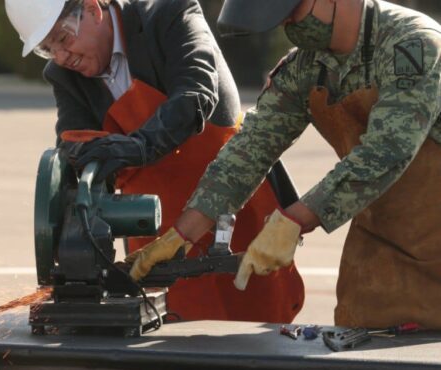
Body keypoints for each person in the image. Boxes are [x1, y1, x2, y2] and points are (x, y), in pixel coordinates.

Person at [132, 0, 441, 329]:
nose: (289, 27)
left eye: (293, 13)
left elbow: (389, 150)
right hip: (380, 239)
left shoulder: (414, 45)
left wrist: (295, 219)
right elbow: (249, 151)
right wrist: (181, 236)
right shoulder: (305, 67)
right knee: (360, 348)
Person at [5, 0, 305, 323]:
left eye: (63, 39)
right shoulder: (64, 76)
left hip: (233, 207)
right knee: (168, 339)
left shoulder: (169, 14)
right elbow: (73, 145)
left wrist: (135, 148)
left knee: (257, 332)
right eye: (48, 49)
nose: (62, 56)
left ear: (92, 8)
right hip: (157, 234)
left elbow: (195, 96)